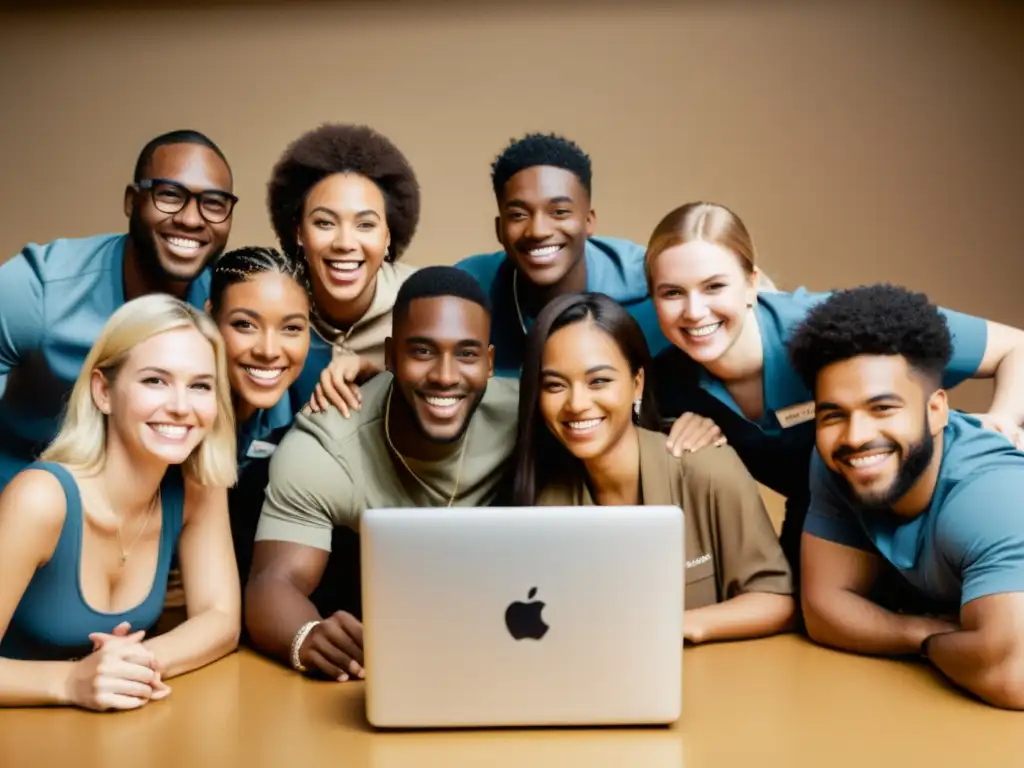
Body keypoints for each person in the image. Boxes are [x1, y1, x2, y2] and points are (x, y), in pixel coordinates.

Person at [648, 201, 1024, 584]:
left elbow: (1017, 348)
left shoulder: (833, 328)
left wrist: (1005, 418)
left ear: (750, 284)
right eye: (673, 293)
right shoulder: (665, 383)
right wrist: (683, 432)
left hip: (921, 511)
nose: (694, 311)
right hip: (824, 522)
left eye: (714, 286)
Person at [244, 267, 519, 681]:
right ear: (390, 357)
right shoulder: (326, 446)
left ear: (490, 362)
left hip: (497, 656)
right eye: (422, 351)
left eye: (466, 354)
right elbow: (272, 584)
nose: (445, 376)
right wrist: (309, 635)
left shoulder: (528, 420)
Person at [0, 294, 241, 711]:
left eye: (200, 385)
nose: (181, 407)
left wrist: (133, 665)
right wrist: (71, 680)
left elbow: (220, 618)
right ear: (103, 391)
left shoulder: (197, 487)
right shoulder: (39, 499)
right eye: (155, 380)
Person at [790, 284, 1024, 710]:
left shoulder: (991, 495)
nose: (856, 436)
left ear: (936, 411)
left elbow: (1013, 674)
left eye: (882, 409)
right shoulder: (837, 461)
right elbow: (824, 610)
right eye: (834, 414)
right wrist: (924, 636)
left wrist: (917, 639)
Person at [514, 292, 794, 644]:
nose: (577, 404)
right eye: (554, 385)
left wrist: (672, 626)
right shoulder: (543, 502)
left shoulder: (707, 468)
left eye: (599, 381)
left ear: (637, 384)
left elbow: (775, 600)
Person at [0, 128, 235, 493]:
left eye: (215, 203)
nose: (191, 219)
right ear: (132, 201)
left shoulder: (220, 308)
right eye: (169, 195)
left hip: (143, 513)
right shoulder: (40, 287)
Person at [455, 133, 777, 377]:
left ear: (589, 220)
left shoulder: (655, 279)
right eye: (519, 215)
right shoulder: (466, 289)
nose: (538, 230)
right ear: (499, 229)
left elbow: (756, 297)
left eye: (560, 211)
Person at [266, 122, 421, 408]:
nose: (345, 243)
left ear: (388, 235)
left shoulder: (421, 307)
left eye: (365, 224)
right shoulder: (271, 303)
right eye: (324, 222)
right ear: (298, 232)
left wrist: (383, 380)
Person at [205, 246, 311, 591]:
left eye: (291, 328)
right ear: (209, 319)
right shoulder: (177, 419)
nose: (268, 349)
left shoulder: (297, 415)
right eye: (245, 325)